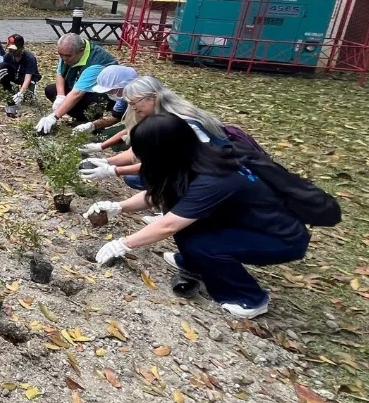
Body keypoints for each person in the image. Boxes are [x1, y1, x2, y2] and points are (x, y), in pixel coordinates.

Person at [90, 113, 308, 319]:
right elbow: (162, 193)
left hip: (279, 237)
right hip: (240, 221)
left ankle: (250, 299)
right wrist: (118, 206)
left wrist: (124, 244)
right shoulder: (190, 156)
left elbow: (169, 226)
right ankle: (195, 263)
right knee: (181, 216)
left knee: (203, 244)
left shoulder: (213, 178)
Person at [79, 76, 229, 191]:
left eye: (134, 103)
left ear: (153, 97)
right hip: (194, 168)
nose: (133, 108)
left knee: (147, 177)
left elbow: (164, 166)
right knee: (135, 178)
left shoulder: (178, 124)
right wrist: (107, 162)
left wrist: (114, 171)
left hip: (215, 173)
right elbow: (136, 153)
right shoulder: (159, 118)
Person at [35, 33, 118, 134]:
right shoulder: (67, 52)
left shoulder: (95, 62)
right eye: (61, 55)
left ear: (81, 51)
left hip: (103, 94)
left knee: (93, 100)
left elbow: (77, 93)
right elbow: (60, 73)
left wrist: (54, 116)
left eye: (67, 56)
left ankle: (93, 123)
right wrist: (60, 95)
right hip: (79, 86)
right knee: (51, 90)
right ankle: (79, 118)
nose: (64, 58)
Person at [72, 64, 138, 137]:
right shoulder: (123, 98)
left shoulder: (142, 99)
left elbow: (134, 128)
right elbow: (115, 117)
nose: (109, 94)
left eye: (110, 91)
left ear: (124, 85)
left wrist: (104, 143)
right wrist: (92, 125)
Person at [0, 35, 40, 103]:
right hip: (15, 75)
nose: (12, 52)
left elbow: (28, 78)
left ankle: (27, 90)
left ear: (21, 48)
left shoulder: (29, 58)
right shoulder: (8, 56)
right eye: (10, 49)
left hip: (26, 77)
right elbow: (3, 71)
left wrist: (21, 93)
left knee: (27, 98)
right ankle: (8, 89)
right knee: (2, 65)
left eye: (14, 50)